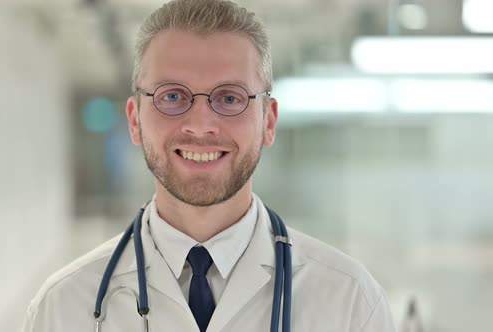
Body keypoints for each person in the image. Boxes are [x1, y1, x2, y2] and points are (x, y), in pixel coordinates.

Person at [22, 0, 396, 331]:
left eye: (229, 97)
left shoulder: (351, 304)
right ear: (135, 120)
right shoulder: (61, 310)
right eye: (172, 96)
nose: (200, 125)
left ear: (268, 121)